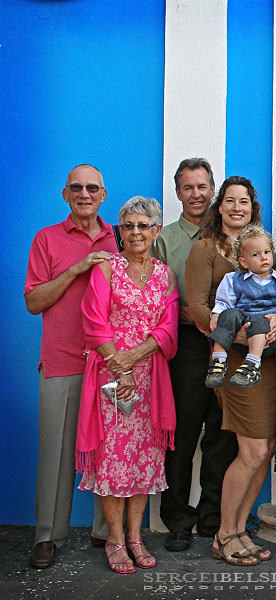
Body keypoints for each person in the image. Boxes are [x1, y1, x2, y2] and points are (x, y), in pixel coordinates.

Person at [75, 196, 178, 574]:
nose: (136, 232)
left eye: (143, 225)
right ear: (120, 231)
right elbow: (94, 321)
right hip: (110, 376)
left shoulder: (165, 274)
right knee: (112, 459)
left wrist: (134, 359)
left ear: (155, 231)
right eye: (128, 226)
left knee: (144, 459)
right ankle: (116, 540)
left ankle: (136, 537)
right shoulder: (107, 269)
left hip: (149, 378)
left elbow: (168, 327)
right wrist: (120, 367)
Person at [186, 176, 276, 566]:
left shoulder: (262, 246)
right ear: (219, 206)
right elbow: (197, 307)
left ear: (252, 206)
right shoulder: (206, 249)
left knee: (266, 449)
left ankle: (240, 527)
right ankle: (224, 533)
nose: (237, 207)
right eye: (230, 201)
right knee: (253, 449)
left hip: (270, 361)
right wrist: (242, 336)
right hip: (234, 360)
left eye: (244, 201)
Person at [24, 164, 113, 569]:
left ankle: (105, 531)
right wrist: (76, 269)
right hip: (61, 360)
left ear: (103, 194)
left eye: (92, 188)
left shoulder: (120, 236)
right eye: (76, 188)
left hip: (108, 363)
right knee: (56, 454)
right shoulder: (47, 239)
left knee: (107, 450)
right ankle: (48, 536)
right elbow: (33, 302)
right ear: (65, 195)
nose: (84, 194)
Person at [152, 158, 238, 552]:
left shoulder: (232, 237)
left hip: (227, 347)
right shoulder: (165, 239)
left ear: (213, 190)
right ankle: (178, 520)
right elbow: (153, 295)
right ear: (177, 193)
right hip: (186, 345)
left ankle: (211, 517)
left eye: (202, 186)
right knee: (183, 435)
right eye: (188, 187)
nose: (196, 194)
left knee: (222, 435)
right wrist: (184, 313)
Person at [206, 225, 276, 388]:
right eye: (256, 254)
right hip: (240, 335)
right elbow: (222, 303)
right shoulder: (233, 280)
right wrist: (216, 314)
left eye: (267, 252)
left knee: (260, 320)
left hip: (267, 339)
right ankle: (218, 362)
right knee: (228, 314)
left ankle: (252, 366)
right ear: (243, 261)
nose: (263, 258)